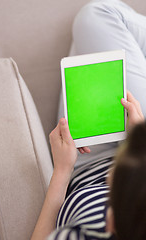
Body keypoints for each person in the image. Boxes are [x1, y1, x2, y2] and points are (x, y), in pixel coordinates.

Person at [31, 0, 146, 239]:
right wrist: (138, 143)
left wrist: (62, 170)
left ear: (112, 223)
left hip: (83, 162)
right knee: (96, 20)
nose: (110, 179)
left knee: (91, 31)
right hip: (138, 145)